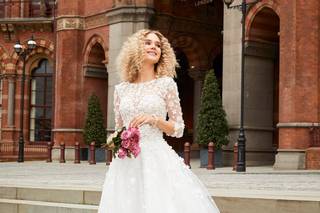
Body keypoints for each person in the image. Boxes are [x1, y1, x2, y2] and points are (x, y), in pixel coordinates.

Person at [98, 29, 220, 213]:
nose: (154, 47)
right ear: (136, 48)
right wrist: (114, 139)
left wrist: (154, 120)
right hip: (126, 163)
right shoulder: (121, 89)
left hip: (156, 159)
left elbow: (178, 128)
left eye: (158, 45)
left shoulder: (166, 84)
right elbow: (119, 128)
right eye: (148, 42)